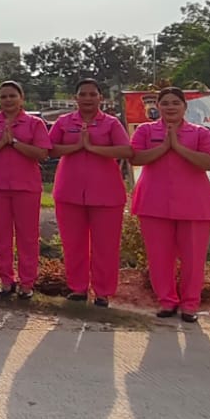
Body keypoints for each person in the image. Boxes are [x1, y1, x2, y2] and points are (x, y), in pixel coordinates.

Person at [130, 86, 210, 322]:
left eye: (175, 103)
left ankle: (190, 304)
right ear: (157, 106)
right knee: (159, 257)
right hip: (154, 202)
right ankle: (167, 301)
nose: (170, 107)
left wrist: (179, 148)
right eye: (165, 103)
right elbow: (136, 158)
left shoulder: (200, 133)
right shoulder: (145, 131)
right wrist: (163, 148)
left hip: (194, 204)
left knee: (193, 259)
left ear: (184, 106)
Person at [48, 79, 132, 308]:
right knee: (73, 243)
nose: (87, 98)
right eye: (82, 94)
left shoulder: (111, 123)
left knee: (105, 246)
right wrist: (75, 147)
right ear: (75, 98)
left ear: (100, 98)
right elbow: (48, 148)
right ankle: (78, 288)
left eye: (92, 94)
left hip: (106, 193)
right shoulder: (64, 122)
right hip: (69, 191)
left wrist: (94, 148)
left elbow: (126, 150)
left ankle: (103, 291)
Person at [0, 80, 51, 300]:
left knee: (27, 237)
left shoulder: (34, 123)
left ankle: (27, 283)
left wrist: (14, 142)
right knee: (0, 236)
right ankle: (6, 281)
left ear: (21, 98)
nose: (8, 100)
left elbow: (42, 153)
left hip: (26, 187)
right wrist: (1, 143)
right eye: (4, 96)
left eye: (12, 96)